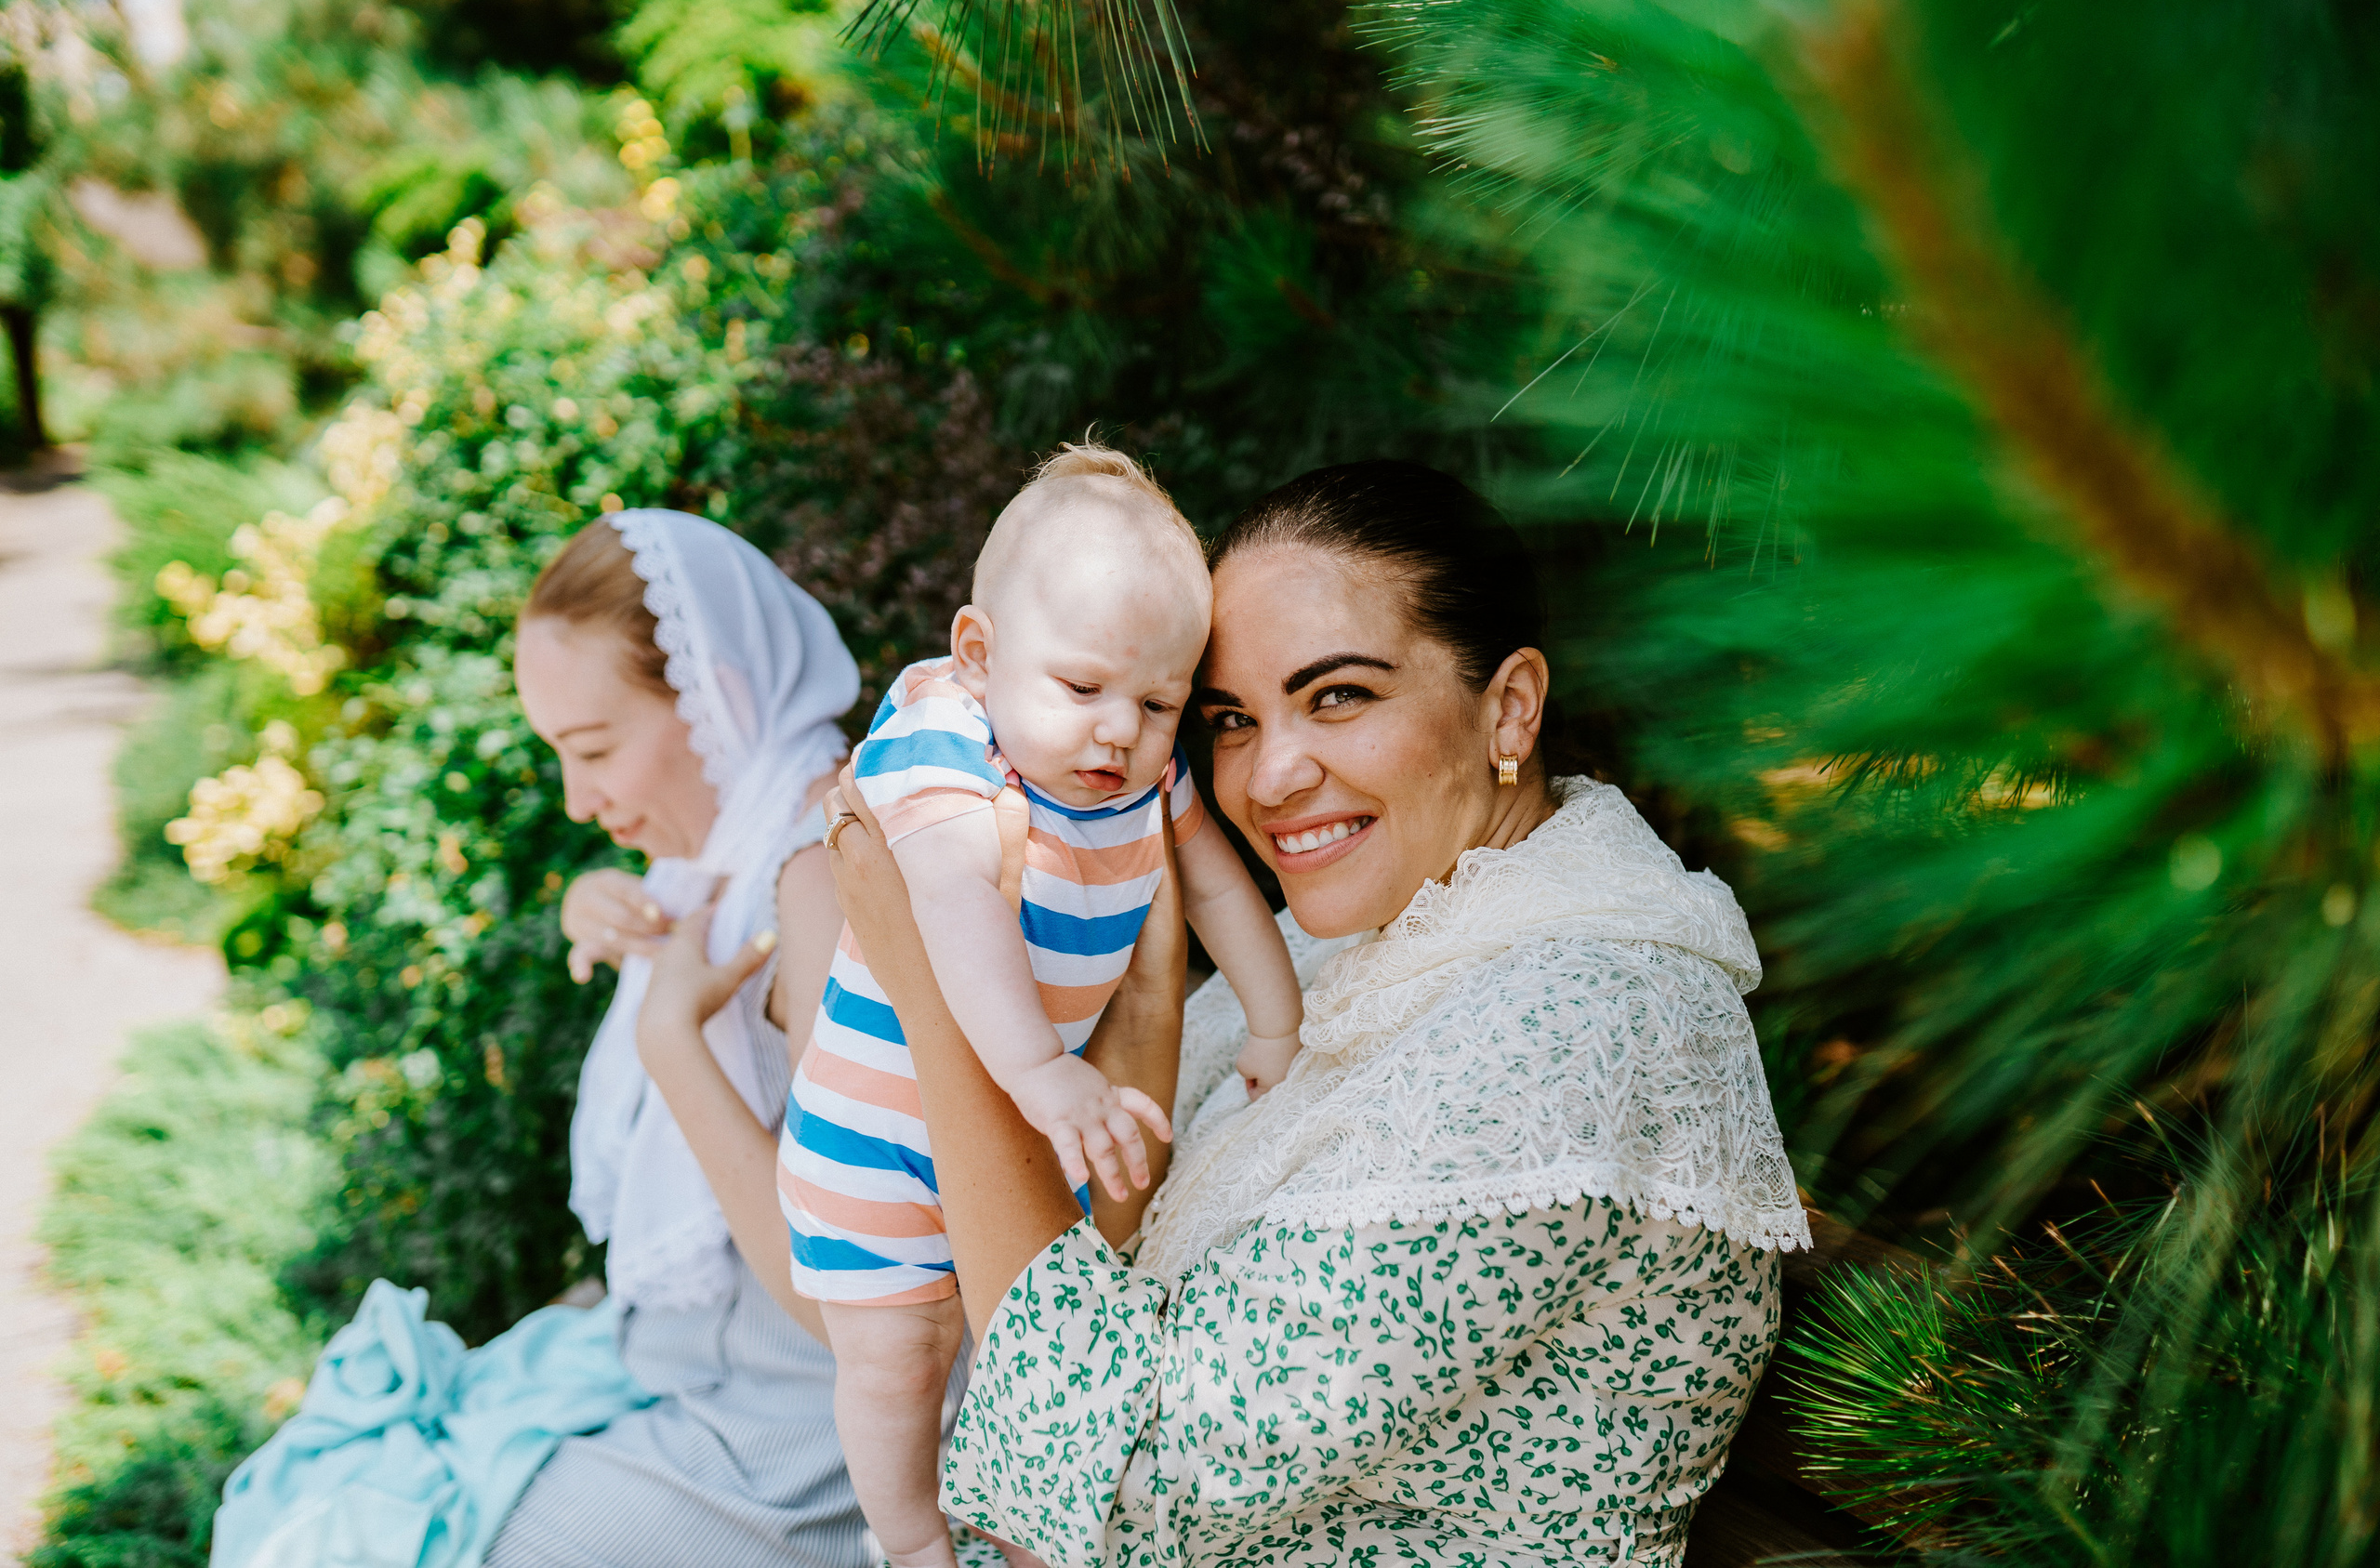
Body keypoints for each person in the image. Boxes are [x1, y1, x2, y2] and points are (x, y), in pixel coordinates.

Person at [819, 461, 1812, 1566]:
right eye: (1231, 718)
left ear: (1510, 706)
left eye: (1338, 694)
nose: (1267, 775)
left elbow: (1109, 1487)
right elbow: (1104, 1252)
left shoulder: (1582, 1027)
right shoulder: (1358, 934)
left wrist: (930, 995)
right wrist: (1147, 993)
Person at [212, 510, 871, 1568]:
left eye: (597, 749)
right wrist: (622, 921)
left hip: (792, 1438)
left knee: (368, 1543)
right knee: (329, 1500)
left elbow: (848, 1298)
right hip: (674, 1363)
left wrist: (670, 1041)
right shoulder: (738, 842)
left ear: (720, 698)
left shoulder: (819, 881)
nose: (580, 800)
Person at [781, 443, 1304, 1568]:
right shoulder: (942, 737)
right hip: (874, 1131)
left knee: (1006, 1344)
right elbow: (956, 898)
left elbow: (1212, 880)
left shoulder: (1137, 773)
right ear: (979, 654)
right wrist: (1037, 1071)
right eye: (1081, 688)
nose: (1119, 729)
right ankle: (913, 1542)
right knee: (896, 1358)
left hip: (1023, 1116)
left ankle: (993, 1522)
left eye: (1159, 699)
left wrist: (1274, 1018)